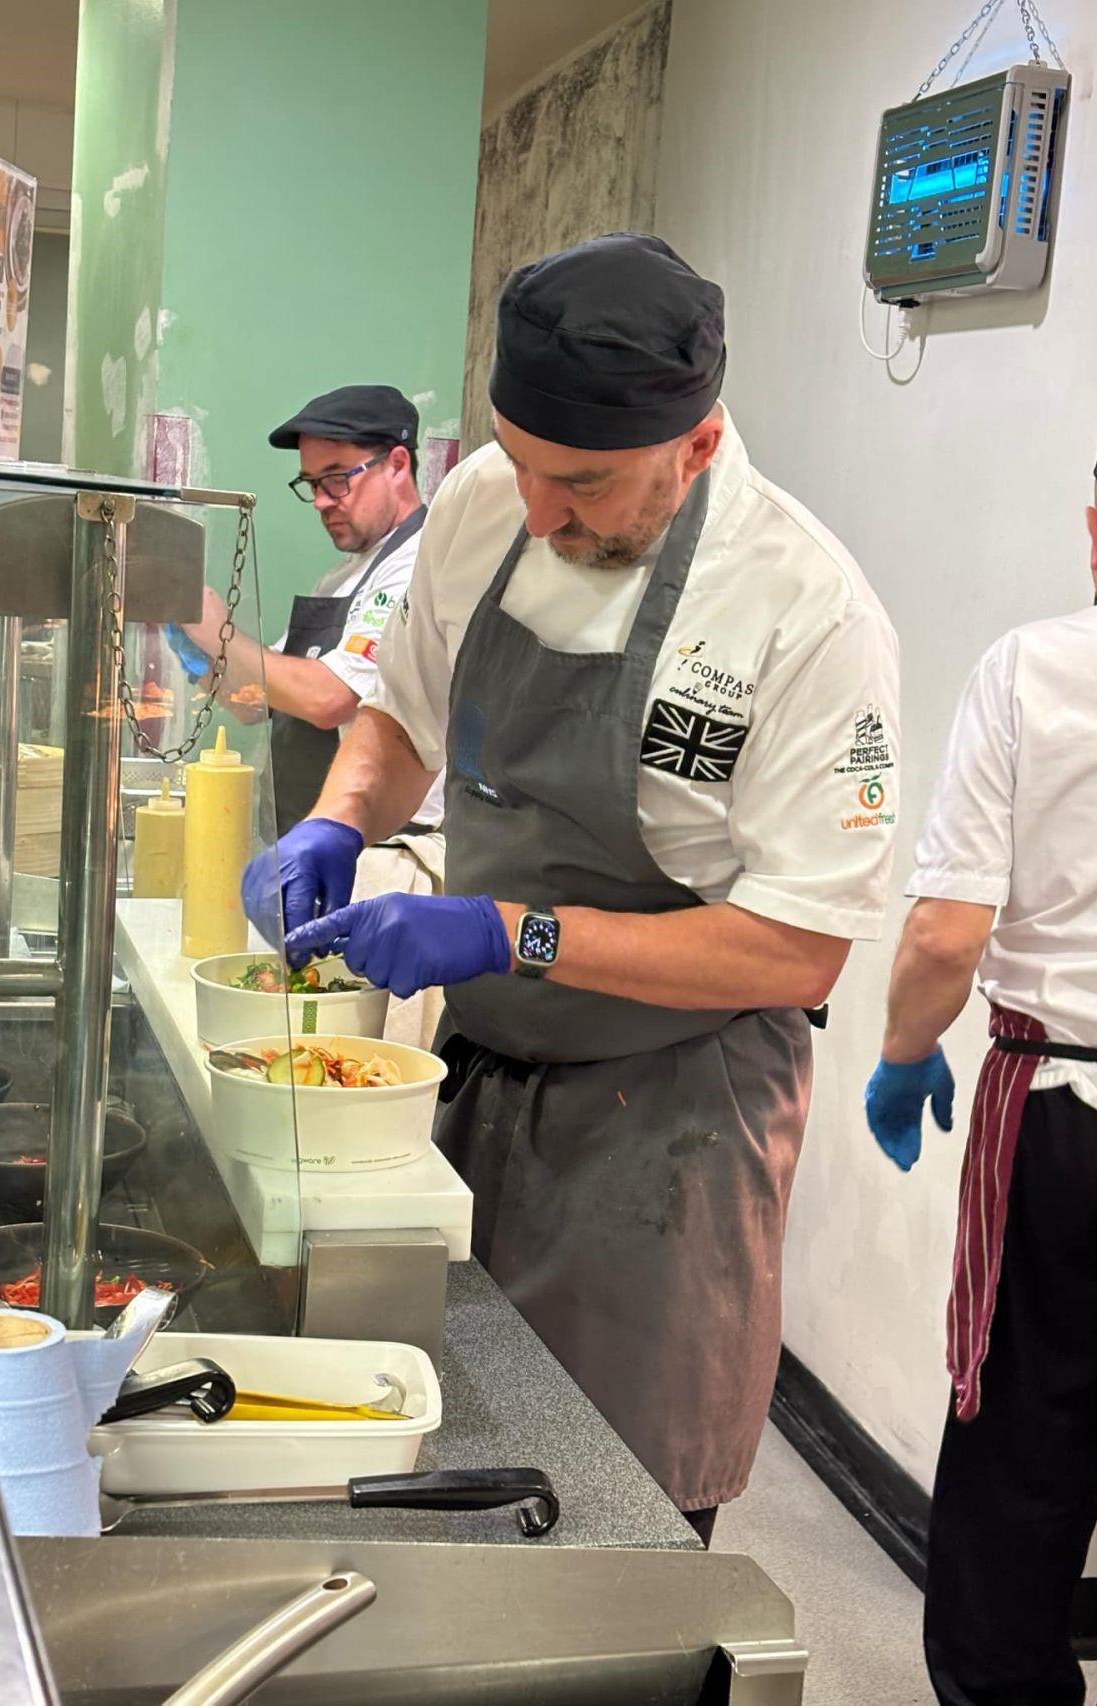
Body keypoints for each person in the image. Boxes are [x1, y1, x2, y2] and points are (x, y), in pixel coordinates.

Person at [247, 233, 901, 1541]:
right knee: (444, 1456)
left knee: (615, 1518)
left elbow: (795, 954)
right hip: (482, 1072)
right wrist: (335, 818)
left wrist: (509, 929)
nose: (540, 510)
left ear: (697, 444)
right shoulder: (496, 498)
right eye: (521, 462)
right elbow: (401, 716)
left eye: (586, 483)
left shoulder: (805, 612)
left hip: (673, 1115)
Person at [865, 405, 1097, 1705]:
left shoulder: (1032, 665)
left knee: (1021, 1442)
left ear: (1096, 534)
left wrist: (904, 1051)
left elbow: (948, 928)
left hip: (1057, 1107)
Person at [173, 384, 443, 839]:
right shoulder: (339, 577)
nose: (320, 500)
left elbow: (328, 700)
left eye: (337, 478)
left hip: (383, 841)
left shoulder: (418, 566)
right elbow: (257, 701)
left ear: (396, 465)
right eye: (312, 483)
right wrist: (192, 645)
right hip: (309, 830)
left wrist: (217, 629)